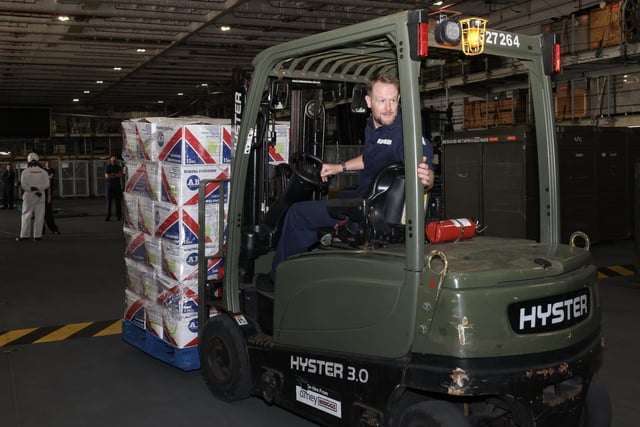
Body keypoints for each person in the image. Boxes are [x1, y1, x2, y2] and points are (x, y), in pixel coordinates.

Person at [258, 72, 434, 290]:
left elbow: (424, 167)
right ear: (369, 102)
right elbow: (370, 158)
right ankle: (306, 265)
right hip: (369, 199)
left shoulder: (404, 133)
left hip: (369, 213)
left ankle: (277, 280)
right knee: (340, 196)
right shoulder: (374, 126)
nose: (388, 107)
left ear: (399, 99)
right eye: (382, 101)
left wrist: (427, 178)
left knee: (296, 214)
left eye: (392, 100)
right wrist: (338, 167)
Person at [17, 153, 50, 241]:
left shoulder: (25, 172)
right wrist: (38, 189)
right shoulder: (44, 172)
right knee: (39, 215)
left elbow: (23, 185)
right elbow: (47, 184)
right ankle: (37, 236)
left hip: (29, 195)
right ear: (38, 160)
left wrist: (32, 189)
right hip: (40, 195)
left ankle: (24, 236)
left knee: (26, 215)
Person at [104, 154, 124, 221]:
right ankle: (108, 216)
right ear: (110, 159)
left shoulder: (119, 167)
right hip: (109, 186)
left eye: (115, 158)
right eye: (113, 158)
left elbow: (121, 175)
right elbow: (107, 176)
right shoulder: (108, 167)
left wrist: (112, 175)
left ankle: (119, 216)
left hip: (117, 186)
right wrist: (116, 175)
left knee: (118, 202)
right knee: (109, 202)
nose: (114, 159)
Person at [42, 160, 60, 234]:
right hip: (37, 197)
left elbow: (48, 183)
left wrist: (49, 196)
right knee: (38, 215)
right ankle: (41, 230)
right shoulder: (41, 173)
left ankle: (54, 229)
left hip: (46, 195)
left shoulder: (49, 171)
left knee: (48, 214)